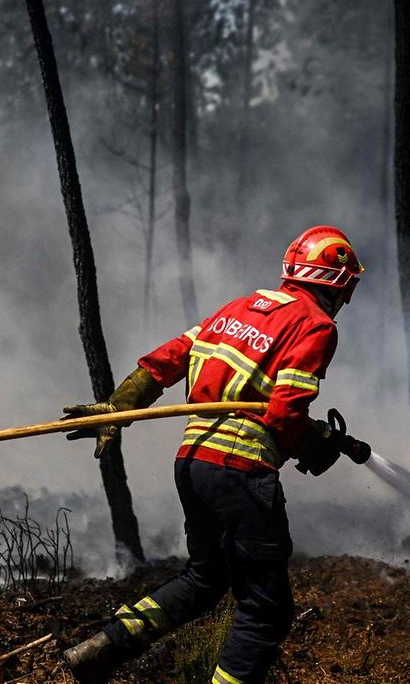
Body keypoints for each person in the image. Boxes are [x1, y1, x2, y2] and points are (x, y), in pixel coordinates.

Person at [58, 225, 366, 684]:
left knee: (204, 581)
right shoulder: (316, 326)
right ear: (337, 284)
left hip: (192, 463)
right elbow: (284, 414)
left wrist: (120, 405)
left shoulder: (237, 309)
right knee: (265, 611)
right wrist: (310, 444)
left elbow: (168, 358)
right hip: (241, 472)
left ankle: (104, 647)